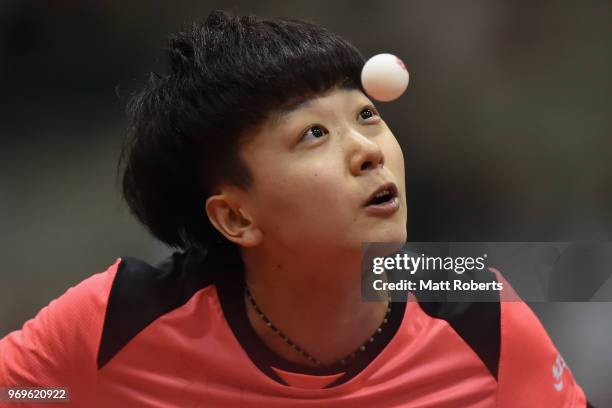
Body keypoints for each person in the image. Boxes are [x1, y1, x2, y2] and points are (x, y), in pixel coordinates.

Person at [0, 10, 592, 407]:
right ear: (235, 218)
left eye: (366, 116)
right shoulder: (117, 324)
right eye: (313, 134)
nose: (367, 151)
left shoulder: (477, 311)